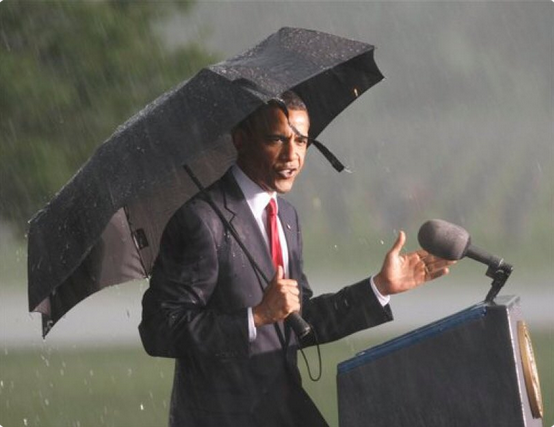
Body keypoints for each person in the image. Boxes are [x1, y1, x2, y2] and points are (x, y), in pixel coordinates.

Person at [139, 91, 453, 427]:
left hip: (284, 411)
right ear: (241, 139)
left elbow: (299, 320)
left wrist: (378, 288)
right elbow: (159, 330)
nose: (293, 155)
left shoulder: (286, 216)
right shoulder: (201, 220)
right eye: (278, 139)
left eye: (302, 141)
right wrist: (254, 317)